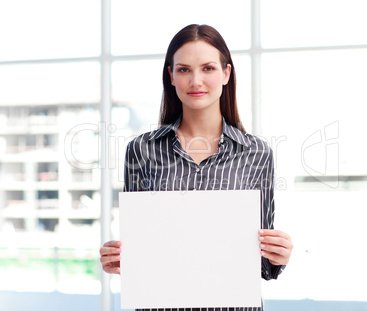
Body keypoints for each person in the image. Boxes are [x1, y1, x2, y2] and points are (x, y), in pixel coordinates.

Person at [100, 24, 293, 310]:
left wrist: (279, 255)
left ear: (226, 73)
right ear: (171, 76)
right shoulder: (142, 150)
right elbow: (145, 253)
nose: (196, 81)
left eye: (208, 68)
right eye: (184, 70)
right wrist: (118, 258)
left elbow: (262, 265)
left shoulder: (257, 152)